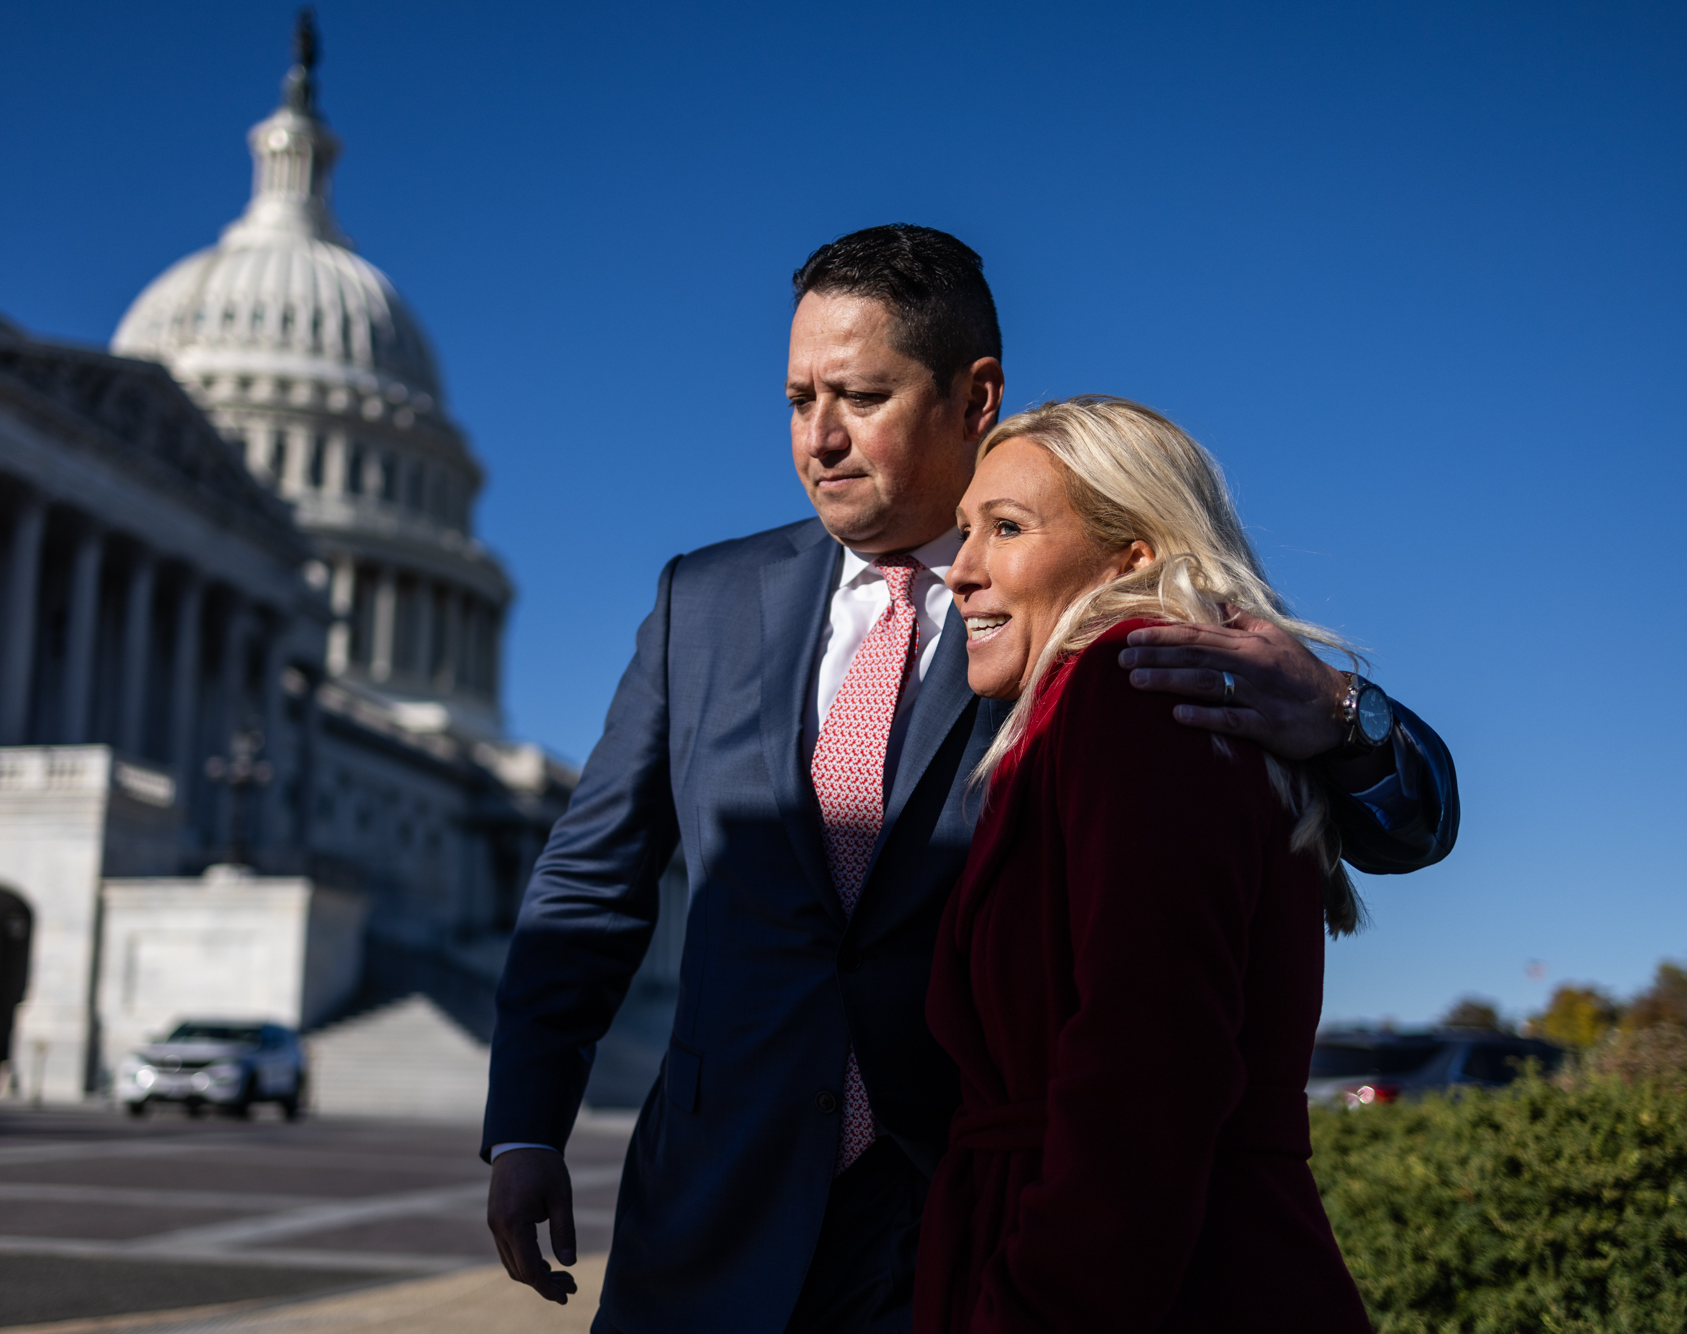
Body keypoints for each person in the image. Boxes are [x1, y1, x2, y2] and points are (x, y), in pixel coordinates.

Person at [483, 225, 1454, 1334]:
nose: (819, 437)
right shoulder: (700, 600)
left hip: (962, 1218)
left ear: (971, 394)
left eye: (858, 395)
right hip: (708, 1206)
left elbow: (1397, 830)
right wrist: (525, 1124)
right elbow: (588, 882)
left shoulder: (1076, 612)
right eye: (797, 398)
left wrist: (1339, 713)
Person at [916, 398, 1373, 1333]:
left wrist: (1033, 1306)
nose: (957, 574)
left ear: (1133, 555)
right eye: (966, 533)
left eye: (1005, 529)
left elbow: (1146, 1071)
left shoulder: (1133, 689)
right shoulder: (1098, 706)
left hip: (1165, 1280)